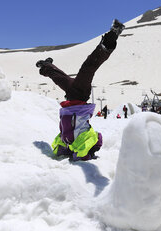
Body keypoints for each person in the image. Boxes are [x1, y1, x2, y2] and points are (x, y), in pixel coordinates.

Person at [36, 19, 125, 161]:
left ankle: (46, 66)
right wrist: (88, 153)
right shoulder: (85, 138)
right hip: (80, 96)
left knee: (61, 78)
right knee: (88, 68)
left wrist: (68, 150)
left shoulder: (68, 142)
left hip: (72, 98)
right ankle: (110, 39)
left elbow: (62, 148)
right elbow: (83, 153)